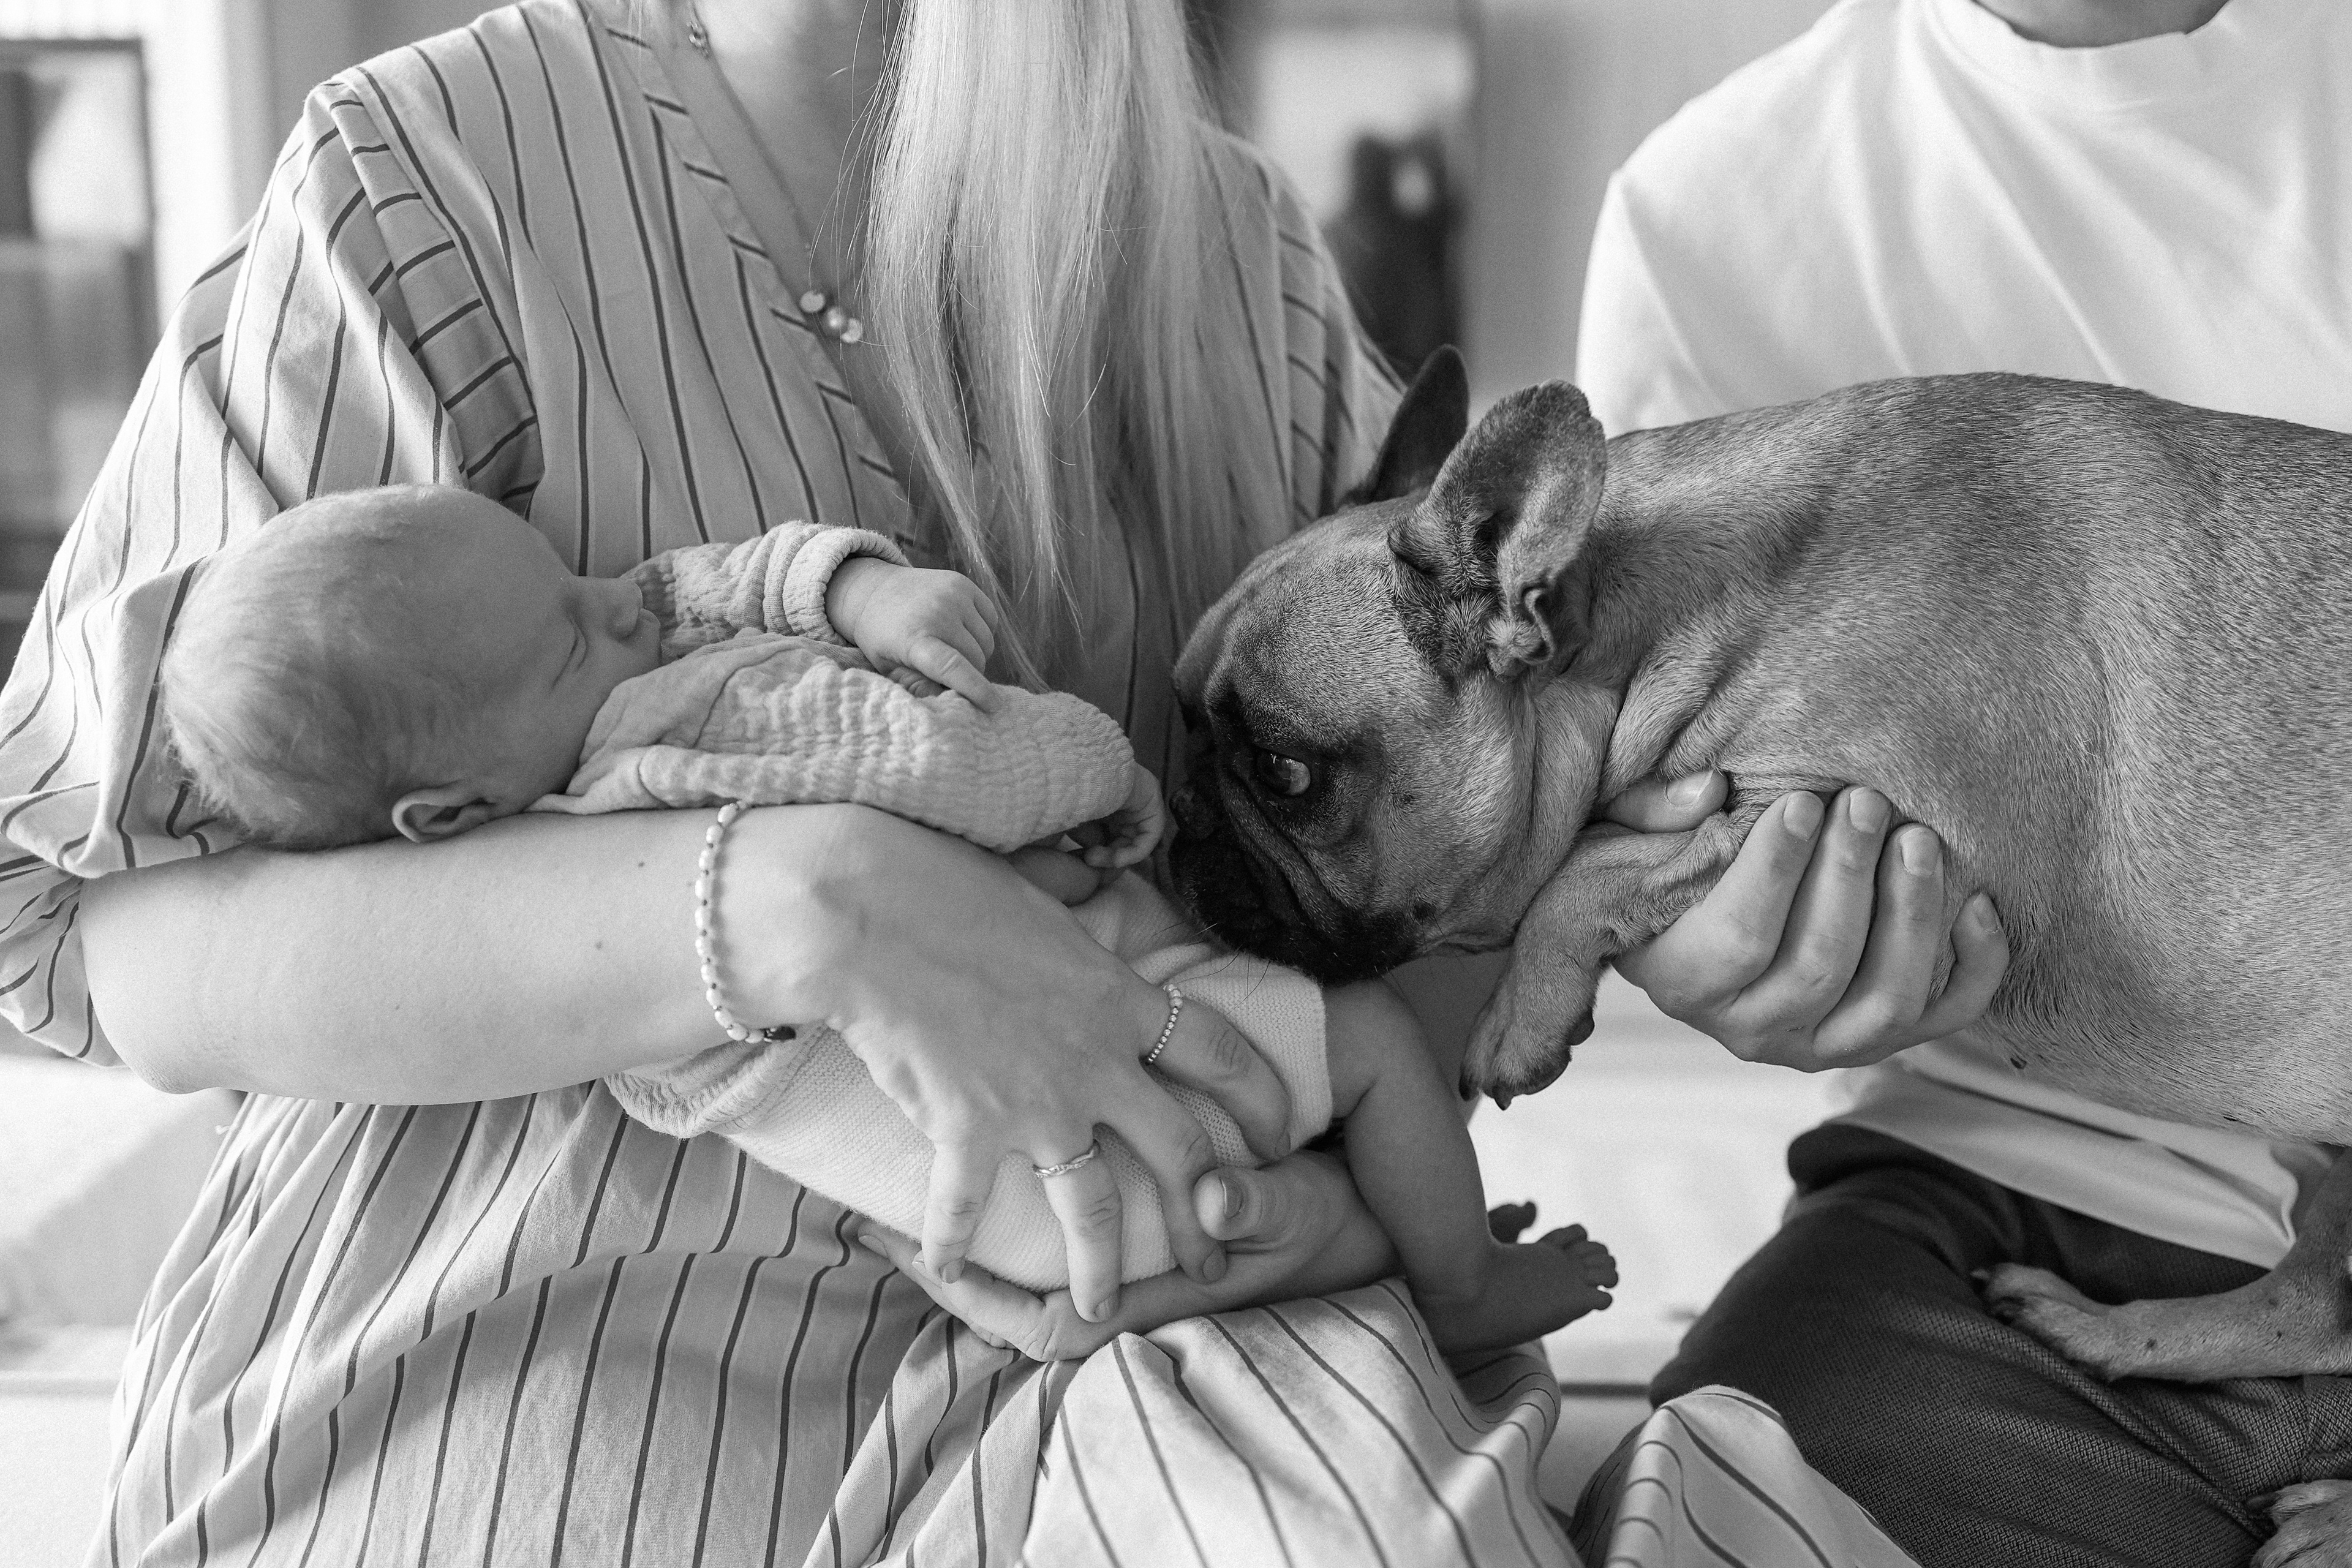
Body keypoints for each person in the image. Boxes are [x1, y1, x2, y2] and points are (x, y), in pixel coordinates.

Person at [0, 1, 2000, 1562]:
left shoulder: (1237, 261)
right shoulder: (421, 178)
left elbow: (1453, 867)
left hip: (1167, 1367)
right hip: (509, 1389)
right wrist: (803, 908)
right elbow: (83, 943)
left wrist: (1717, 926)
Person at [157, 483, 1620, 1349]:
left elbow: (699, 586)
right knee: (1366, 1049)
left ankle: (1363, 1238)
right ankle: (1457, 1278)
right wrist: (1092, 779)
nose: (621, 602)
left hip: (1008, 1214)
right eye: (566, 635)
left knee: (1254, 1210)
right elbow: (934, 778)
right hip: (1077, 1147)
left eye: (577, 584)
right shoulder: (660, 776)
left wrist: (855, 591)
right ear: (447, 814)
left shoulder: (577, 747)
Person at [1574, 0, 2352, 1563]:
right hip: (1984, 1207)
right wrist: (1715, 958)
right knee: (1714, 1510)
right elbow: (1661, 815)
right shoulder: (1716, 209)